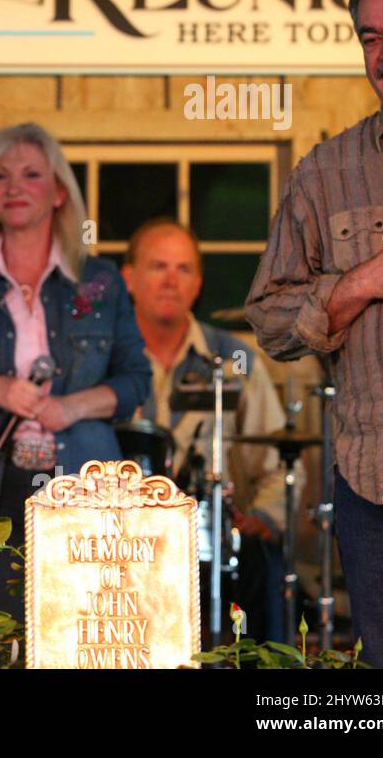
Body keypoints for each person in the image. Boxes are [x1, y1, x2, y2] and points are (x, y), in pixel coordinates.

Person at [246, 0, 383, 668]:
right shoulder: (325, 173)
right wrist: (365, 280)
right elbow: (269, 318)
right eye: (369, 36)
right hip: (380, 496)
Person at [0, 123, 150, 621]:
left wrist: (72, 406)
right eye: (0, 177)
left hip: (87, 487)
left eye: (31, 174)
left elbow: (136, 381)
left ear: (60, 191)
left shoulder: (100, 281)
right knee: (2, 643)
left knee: (81, 639)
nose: (14, 187)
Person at [122, 217, 299, 642]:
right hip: (121, 545)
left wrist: (259, 519)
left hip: (211, 544)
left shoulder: (236, 359)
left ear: (198, 282)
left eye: (183, 269)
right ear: (128, 278)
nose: (170, 281)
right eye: (157, 266)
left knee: (257, 561)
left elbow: (277, 462)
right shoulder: (103, 359)